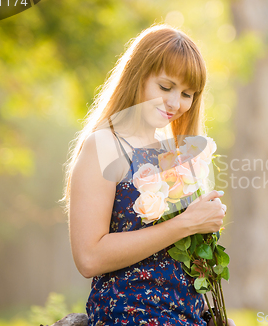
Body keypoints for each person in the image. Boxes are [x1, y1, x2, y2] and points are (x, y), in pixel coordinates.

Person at [60, 24, 236, 325]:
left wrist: (205, 228)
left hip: (188, 315)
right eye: (165, 87)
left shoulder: (177, 153)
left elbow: (180, 254)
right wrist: (184, 224)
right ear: (138, 74)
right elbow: (89, 258)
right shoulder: (104, 145)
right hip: (133, 314)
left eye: (187, 94)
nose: (174, 103)